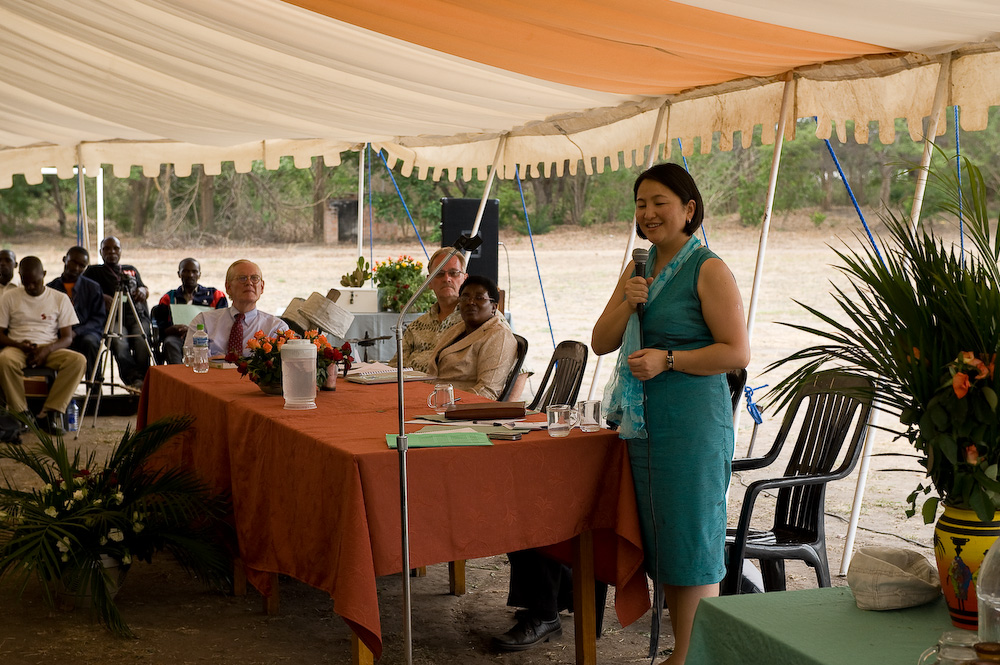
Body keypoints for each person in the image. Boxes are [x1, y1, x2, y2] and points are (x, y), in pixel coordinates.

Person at [591, 163, 749, 665]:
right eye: (641, 203)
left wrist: (670, 359)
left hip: (691, 426)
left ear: (689, 209)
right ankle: (685, 654)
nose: (649, 213)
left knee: (692, 545)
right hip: (643, 429)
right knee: (663, 544)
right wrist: (627, 300)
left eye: (660, 202)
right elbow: (600, 341)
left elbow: (736, 353)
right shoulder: (638, 269)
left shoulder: (708, 268)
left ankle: (690, 656)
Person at [0, 256, 87, 436]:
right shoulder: (9, 297)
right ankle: (21, 414)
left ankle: (48, 413)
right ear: (20, 277)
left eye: (35, 282)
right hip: (19, 347)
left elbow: (67, 338)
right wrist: (18, 344)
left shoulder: (59, 298)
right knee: (4, 359)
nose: (30, 286)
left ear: (44, 275)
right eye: (26, 282)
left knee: (78, 361)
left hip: (49, 347)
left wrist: (46, 350)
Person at [426, 275, 516, 400]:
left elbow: (487, 391)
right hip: (433, 400)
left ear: (494, 307)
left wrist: (449, 404)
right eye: (465, 297)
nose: (470, 302)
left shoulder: (499, 335)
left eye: (479, 298)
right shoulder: (456, 329)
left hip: (461, 409)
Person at [83, 236, 152, 390]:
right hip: (112, 318)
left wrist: (143, 290)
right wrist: (99, 296)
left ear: (121, 251)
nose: (111, 252)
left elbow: (144, 289)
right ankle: (134, 379)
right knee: (119, 343)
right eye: (107, 248)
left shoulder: (131, 270)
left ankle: (145, 380)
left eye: (115, 248)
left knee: (143, 341)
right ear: (100, 252)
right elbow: (82, 291)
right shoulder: (93, 271)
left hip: (136, 316)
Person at [185, 259, 288, 359]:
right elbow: (193, 360)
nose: (249, 283)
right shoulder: (204, 322)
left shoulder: (276, 328)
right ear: (228, 287)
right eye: (242, 278)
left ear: (262, 287)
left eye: (254, 278)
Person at [389, 247, 467, 373]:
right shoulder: (416, 327)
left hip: (451, 389)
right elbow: (395, 368)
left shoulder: (475, 319)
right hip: (411, 389)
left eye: (454, 273)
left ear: (465, 279)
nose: (447, 279)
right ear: (429, 282)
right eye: (439, 274)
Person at [47, 246, 106, 386]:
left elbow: (98, 319)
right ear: (64, 260)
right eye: (73, 262)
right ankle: (55, 392)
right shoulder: (51, 288)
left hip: (86, 332)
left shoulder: (93, 287)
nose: (77, 268)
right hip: (59, 334)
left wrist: (76, 332)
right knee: (50, 344)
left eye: (82, 266)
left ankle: (93, 389)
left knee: (90, 342)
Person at [154, 258, 228, 364]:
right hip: (177, 338)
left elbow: (224, 323)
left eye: (194, 271)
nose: (190, 275)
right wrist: (172, 329)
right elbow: (159, 328)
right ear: (179, 274)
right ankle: (178, 376)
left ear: (199, 274)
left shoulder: (215, 295)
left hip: (206, 339)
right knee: (170, 343)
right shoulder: (169, 298)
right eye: (185, 271)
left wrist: (194, 329)